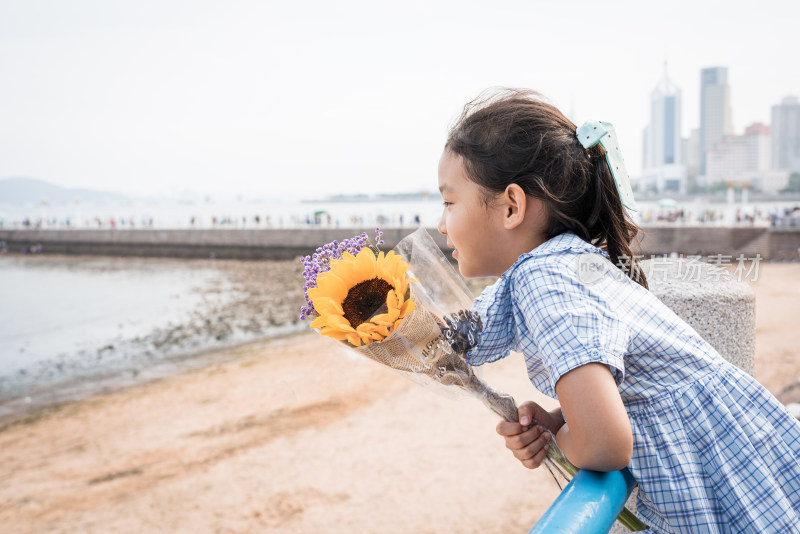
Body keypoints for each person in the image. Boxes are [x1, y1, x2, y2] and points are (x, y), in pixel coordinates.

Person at [436, 89, 800, 533]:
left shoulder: (544, 281)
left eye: (449, 202)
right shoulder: (568, 263)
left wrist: (565, 436)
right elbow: (639, 386)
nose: (441, 223)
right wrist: (562, 421)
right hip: (740, 462)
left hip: (722, 481)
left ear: (511, 206)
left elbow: (605, 445)